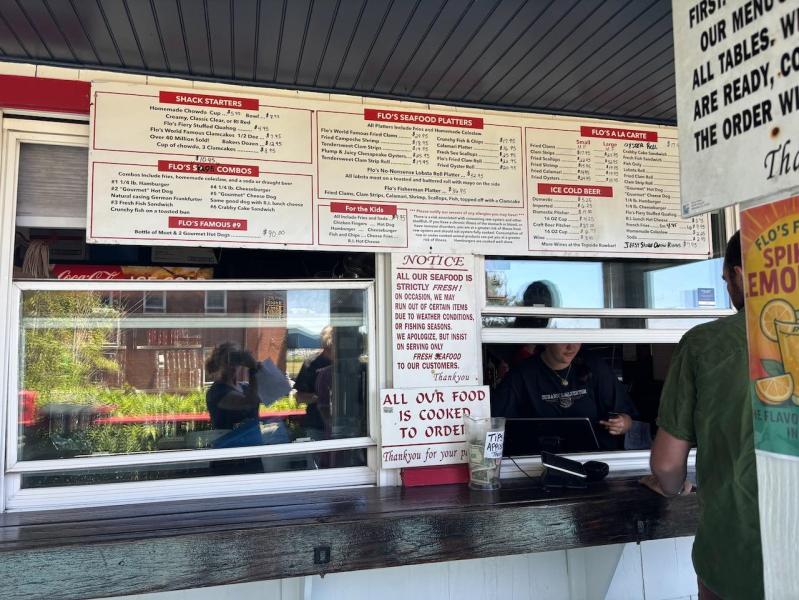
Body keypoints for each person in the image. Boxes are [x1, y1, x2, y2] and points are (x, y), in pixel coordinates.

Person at [641, 231, 763, 600]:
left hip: (736, 559)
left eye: (726, 281)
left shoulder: (704, 344)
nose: (728, 290)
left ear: (740, 275)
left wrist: (673, 487)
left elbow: (666, 463)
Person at [492, 343, 636, 449]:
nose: (571, 347)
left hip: (594, 458)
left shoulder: (595, 366)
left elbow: (627, 417)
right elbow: (497, 424)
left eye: (576, 339)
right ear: (546, 341)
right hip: (536, 462)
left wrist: (622, 423)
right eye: (563, 339)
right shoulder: (521, 375)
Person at [205, 342, 263, 448]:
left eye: (236, 359)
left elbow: (274, 394)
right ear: (219, 364)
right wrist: (253, 370)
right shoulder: (217, 392)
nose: (232, 365)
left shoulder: (245, 387)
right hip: (229, 453)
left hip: (252, 449)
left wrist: (263, 371)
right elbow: (249, 402)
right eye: (227, 361)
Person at [294, 325, 334, 440]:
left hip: (342, 426)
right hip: (317, 426)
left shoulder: (346, 362)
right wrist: (322, 397)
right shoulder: (311, 363)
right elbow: (299, 397)